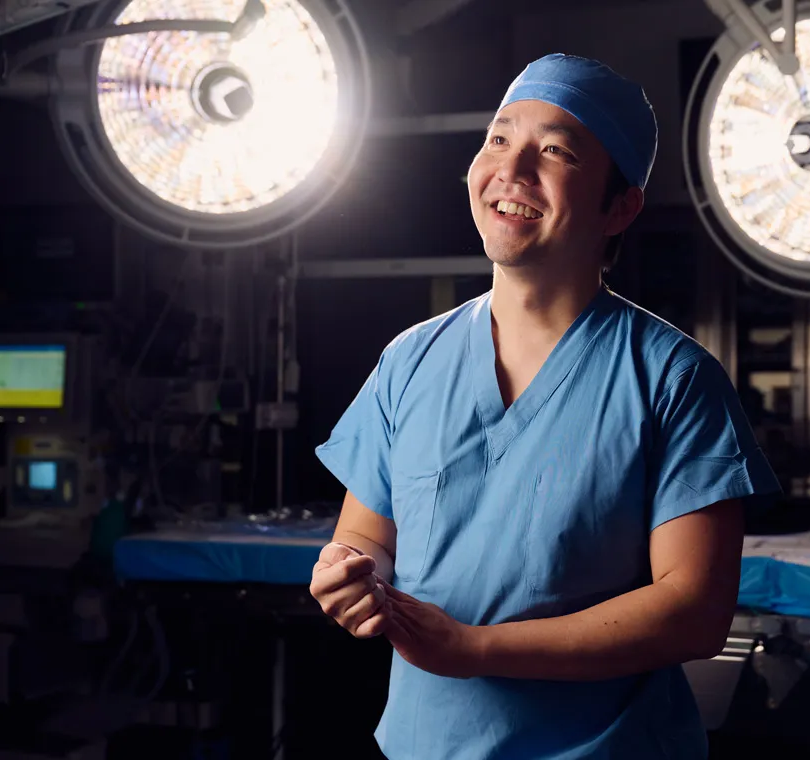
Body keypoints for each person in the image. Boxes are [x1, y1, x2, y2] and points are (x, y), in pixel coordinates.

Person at [309, 53, 780, 759]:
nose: (512, 168)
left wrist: (476, 648)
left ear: (620, 207)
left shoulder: (673, 379)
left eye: (556, 151)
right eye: (499, 138)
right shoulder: (410, 361)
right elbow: (367, 537)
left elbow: (694, 613)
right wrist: (351, 573)